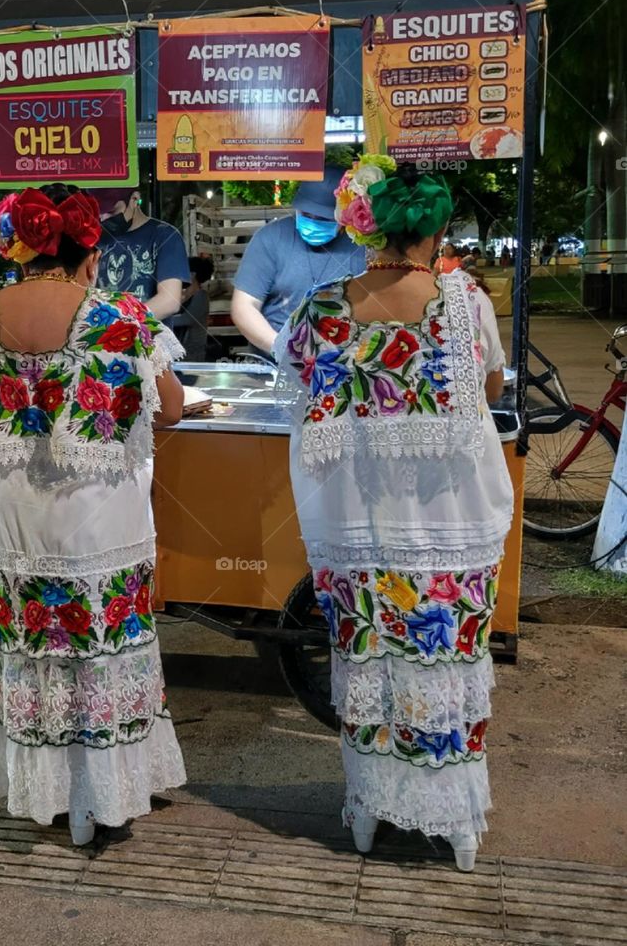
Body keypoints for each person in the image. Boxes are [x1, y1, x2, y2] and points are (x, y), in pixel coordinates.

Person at [0, 184, 187, 846]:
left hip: (10, 517)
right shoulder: (121, 319)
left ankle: (44, 791)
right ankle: (102, 792)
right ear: (88, 254)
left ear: (16, 252)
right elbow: (173, 408)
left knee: (32, 642)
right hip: (98, 515)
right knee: (98, 645)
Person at [276, 156, 513, 872]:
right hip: (450, 524)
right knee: (443, 659)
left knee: (368, 660)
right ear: (436, 226)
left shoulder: (319, 307)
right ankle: (453, 820)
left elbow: (292, 390)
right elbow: (491, 384)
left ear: (366, 221)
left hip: (354, 528)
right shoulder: (463, 299)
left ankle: (369, 811)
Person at [231, 164, 366, 356]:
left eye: (323, 218)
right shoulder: (269, 238)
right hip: (274, 361)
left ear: (344, 216)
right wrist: (283, 350)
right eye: (306, 214)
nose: (312, 221)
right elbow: (244, 306)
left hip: (343, 361)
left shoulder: (362, 245)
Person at [97, 187, 190, 319]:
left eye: (112, 212)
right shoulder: (95, 238)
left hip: (148, 337)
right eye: (100, 213)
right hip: (99, 336)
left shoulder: (165, 236)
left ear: (134, 199)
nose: (104, 218)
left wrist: (119, 325)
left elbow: (170, 301)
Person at [173, 255, 214, 362]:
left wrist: (157, 318)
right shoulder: (187, 295)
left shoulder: (201, 296)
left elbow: (187, 319)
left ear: (192, 274)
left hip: (192, 354)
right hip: (181, 353)